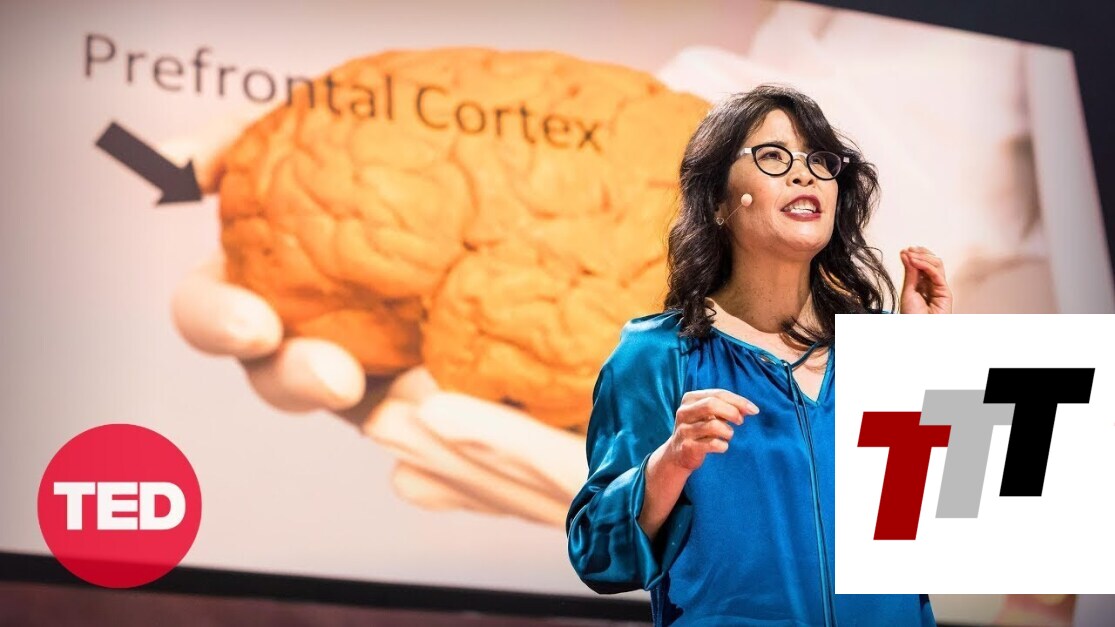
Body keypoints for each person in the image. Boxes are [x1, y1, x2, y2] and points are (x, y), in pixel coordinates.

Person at [565, 85, 952, 626]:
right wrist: (670, 461)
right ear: (718, 201)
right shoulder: (657, 354)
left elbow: (932, 533)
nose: (805, 175)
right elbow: (598, 556)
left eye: (820, 160)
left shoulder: (882, 348)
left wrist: (925, 366)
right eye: (774, 156)